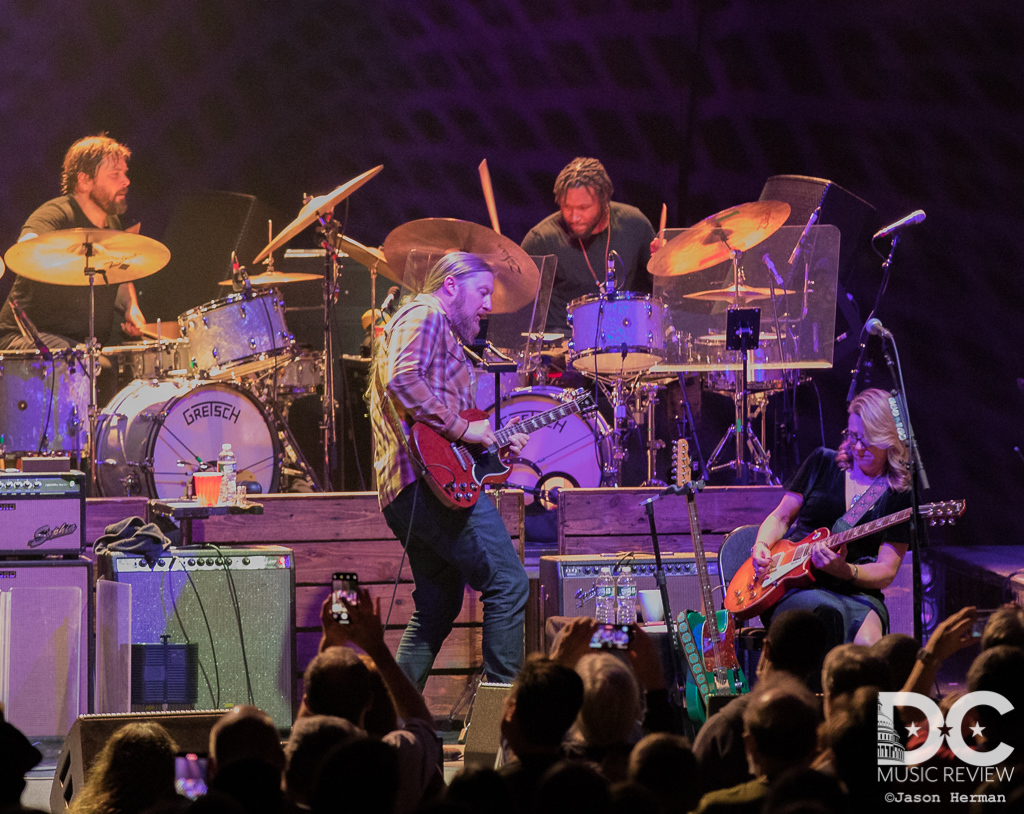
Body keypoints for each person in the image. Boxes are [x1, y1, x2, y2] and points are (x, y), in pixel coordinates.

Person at [369, 251, 530, 689]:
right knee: (509, 583)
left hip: (415, 487)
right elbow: (402, 380)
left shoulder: (439, 332)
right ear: (451, 285)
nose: (488, 306)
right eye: (482, 292)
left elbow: (448, 433)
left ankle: (393, 720)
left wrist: (492, 443)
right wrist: (465, 428)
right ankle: (495, 724)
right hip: (425, 484)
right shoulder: (425, 312)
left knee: (438, 607)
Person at [749, 387, 913, 646]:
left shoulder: (896, 493)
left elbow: (886, 570)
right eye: (852, 436)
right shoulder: (822, 462)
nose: (857, 448)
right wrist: (761, 546)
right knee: (825, 618)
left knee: (870, 646)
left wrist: (846, 570)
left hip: (856, 590)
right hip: (795, 582)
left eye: (867, 440)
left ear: (888, 440)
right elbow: (781, 518)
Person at [0, 134, 146, 350]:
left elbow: (117, 272)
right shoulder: (56, 213)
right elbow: (26, 249)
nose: (126, 181)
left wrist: (129, 306)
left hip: (80, 345)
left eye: (124, 173)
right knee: (80, 363)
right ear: (85, 180)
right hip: (27, 337)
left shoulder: (112, 224)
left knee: (114, 364)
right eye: (115, 174)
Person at [521, 157, 656, 335]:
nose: (574, 216)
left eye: (583, 207)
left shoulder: (634, 224)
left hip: (620, 338)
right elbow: (516, 299)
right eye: (567, 207)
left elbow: (661, 288)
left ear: (604, 200)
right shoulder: (541, 239)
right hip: (562, 346)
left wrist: (665, 263)